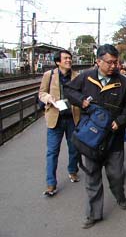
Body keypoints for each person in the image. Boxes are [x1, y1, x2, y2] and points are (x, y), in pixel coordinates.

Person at [64, 44, 126, 229]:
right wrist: (80, 101)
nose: (114, 66)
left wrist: (120, 121)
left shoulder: (123, 82)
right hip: (91, 139)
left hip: (113, 140)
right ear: (98, 61)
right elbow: (69, 89)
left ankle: (120, 196)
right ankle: (93, 214)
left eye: (116, 62)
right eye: (110, 62)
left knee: (115, 175)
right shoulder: (86, 78)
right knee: (92, 176)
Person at [39, 50, 81, 197]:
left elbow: (82, 94)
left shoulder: (77, 76)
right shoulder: (49, 75)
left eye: (70, 58)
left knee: (74, 148)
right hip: (55, 119)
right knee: (52, 152)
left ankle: (72, 171)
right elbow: (41, 93)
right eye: (65, 58)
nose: (69, 60)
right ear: (58, 62)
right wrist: (48, 98)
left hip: (73, 118)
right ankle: (51, 183)